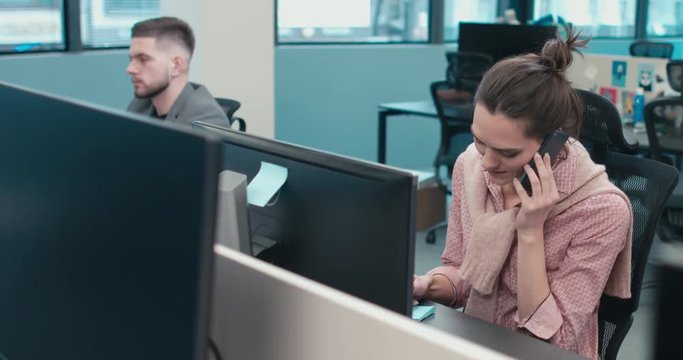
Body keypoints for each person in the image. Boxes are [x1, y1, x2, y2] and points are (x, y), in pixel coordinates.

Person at [413, 27, 632, 360]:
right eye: (478, 140)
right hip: (476, 343)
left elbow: (556, 342)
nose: (486, 163)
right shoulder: (469, 167)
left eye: (507, 153)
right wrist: (428, 285)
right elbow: (462, 272)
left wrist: (530, 232)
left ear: (553, 145)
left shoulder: (601, 211)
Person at [126, 16, 228, 126]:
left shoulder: (205, 121)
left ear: (176, 66)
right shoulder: (141, 104)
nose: (130, 69)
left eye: (143, 59)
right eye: (131, 59)